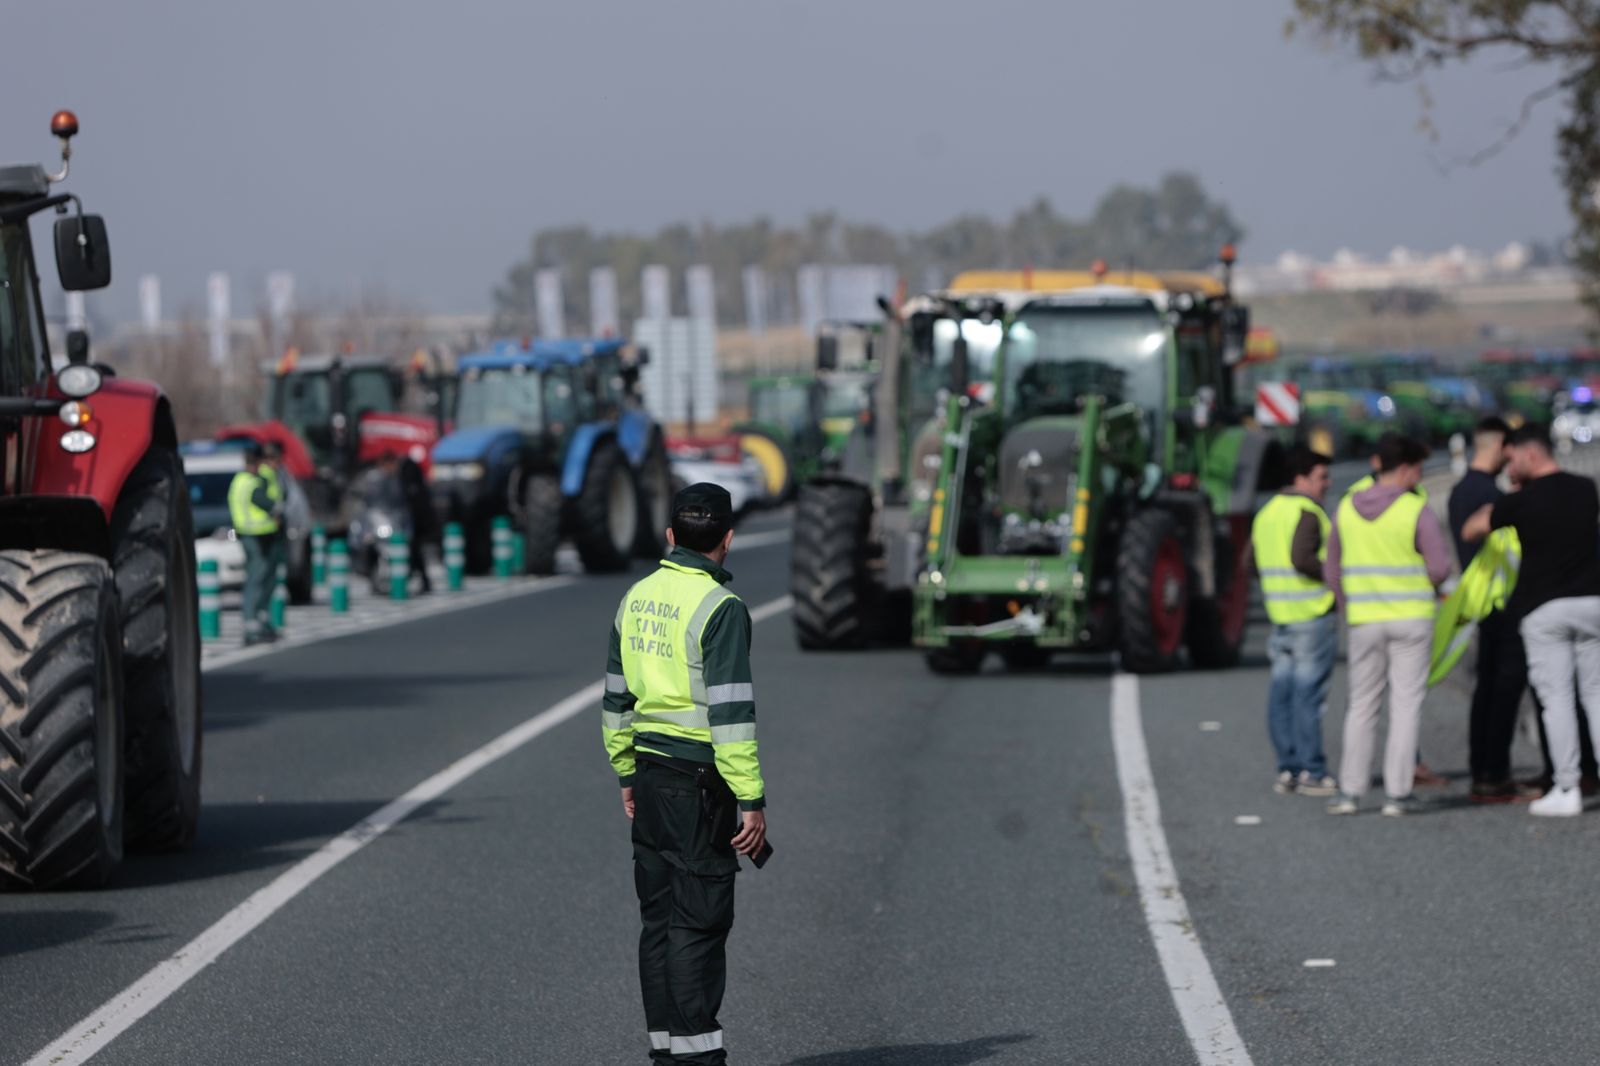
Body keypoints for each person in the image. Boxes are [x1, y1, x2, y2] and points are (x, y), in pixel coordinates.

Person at [602, 483, 767, 1064]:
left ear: (670, 536)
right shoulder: (721, 609)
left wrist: (626, 771)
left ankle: (667, 1052)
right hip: (699, 784)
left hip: (648, 775)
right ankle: (699, 1060)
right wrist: (751, 798)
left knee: (660, 922)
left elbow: (616, 699)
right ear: (727, 540)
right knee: (697, 924)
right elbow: (731, 715)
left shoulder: (636, 597)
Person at [1463, 423, 1600, 816]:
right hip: (1592, 602)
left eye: (1512, 459)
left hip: (1544, 609)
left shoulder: (1520, 501)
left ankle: (1566, 787)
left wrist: (1499, 506)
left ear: (1530, 454)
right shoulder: (1585, 488)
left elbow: (1473, 529)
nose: (1509, 466)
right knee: (1595, 695)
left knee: (1555, 699)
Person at [1326, 435, 1452, 816]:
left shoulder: (1346, 507)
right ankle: (1398, 794)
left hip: (1365, 619)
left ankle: (1350, 791)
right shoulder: (1415, 510)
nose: (1419, 477)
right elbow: (1440, 567)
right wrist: (1425, 585)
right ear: (1406, 468)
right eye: (1418, 470)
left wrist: (1350, 603)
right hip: (1411, 618)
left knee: (1361, 706)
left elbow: (1332, 569)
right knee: (1405, 705)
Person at [1445, 417, 1537, 803]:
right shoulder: (1489, 495)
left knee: (1486, 691)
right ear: (1500, 446)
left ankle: (1483, 771)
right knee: (1504, 691)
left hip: (1479, 603)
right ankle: (1494, 776)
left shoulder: (1459, 490)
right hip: (1504, 603)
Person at [1251, 445, 1338, 796]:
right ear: (1299, 478)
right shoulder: (1307, 511)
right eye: (1321, 477)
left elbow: (1250, 563)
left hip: (1280, 616)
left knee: (1281, 696)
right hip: (1311, 615)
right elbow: (1302, 558)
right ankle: (1312, 772)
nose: (1328, 484)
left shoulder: (1266, 512)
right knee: (1308, 697)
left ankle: (1288, 768)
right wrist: (1334, 574)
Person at [227, 442, 284, 645]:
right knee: (257, 578)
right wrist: (276, 510)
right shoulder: (252, 482)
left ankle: (258, 621)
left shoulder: (240, 480)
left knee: (261, 577)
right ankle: (252, 623)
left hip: (250, 534)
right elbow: (261, 500)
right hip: (256, 535)